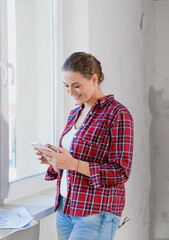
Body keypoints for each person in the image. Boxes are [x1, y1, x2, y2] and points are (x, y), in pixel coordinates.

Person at [34, 52, 134, 240]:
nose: (71, 92)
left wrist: (72, 164)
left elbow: (121, 171)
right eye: (66, 86)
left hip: (96, 213)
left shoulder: (117, 114)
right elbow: (72, 161)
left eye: (76, 85)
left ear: (94, 79)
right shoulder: (75, 113)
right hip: (66, 207)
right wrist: (55, 162)